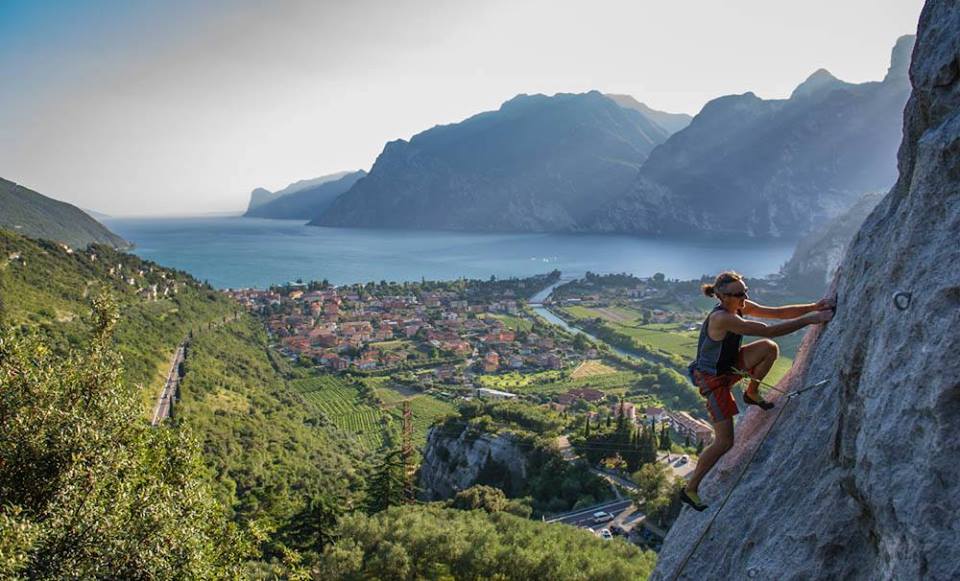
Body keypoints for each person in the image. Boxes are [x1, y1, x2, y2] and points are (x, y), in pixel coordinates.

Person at [680, 271, 834, 511]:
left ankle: (751, 392)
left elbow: (776, 313)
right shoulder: (722, 318)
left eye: (745, 291)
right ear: (722, 296)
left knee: (768, 349)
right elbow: (768, 329)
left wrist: (813, 306)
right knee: (724, 442)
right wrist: (811, 319)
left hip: (729, 365)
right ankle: (690, 489)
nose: (744, 296)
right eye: (739, 293)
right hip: (713, 381)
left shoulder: (737, 305)